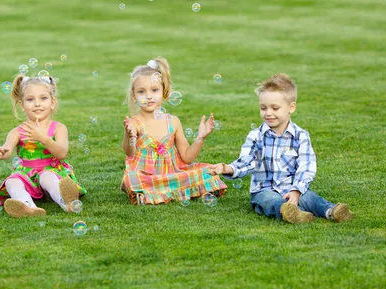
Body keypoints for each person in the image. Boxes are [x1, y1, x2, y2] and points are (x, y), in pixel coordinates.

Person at [208, 73, 354, 223]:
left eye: (275, 108)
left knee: (310, 198)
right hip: (263, 190)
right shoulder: (256, 136)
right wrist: (226, 168)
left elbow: (306, 167)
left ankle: (331, 211)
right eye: (263, 108)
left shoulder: (301, 136)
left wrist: (296, 190)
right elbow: (247, 161)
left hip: (292, 187)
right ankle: (291, 213)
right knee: (270, 200)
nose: (268, 113)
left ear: (291, 107)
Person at [121, 57, 227, 205]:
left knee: (207, 171)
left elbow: (187, 157)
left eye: (155, 90)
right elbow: (129, 152)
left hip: (172, 174)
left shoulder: (173, 122)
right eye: (141, 92)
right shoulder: (134, 123)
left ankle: (154, 193)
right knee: (134, 179)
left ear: (164, 91)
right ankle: (162, 189)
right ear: (134, 96)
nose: (149, 96)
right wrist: (129, 136)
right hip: (147, 176)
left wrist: (200, 137)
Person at [0, 75, 86, 217]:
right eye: (30, 99)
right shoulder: (17, 132)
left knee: (46, 177)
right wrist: (1, 152)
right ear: (22, 105)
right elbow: (8, 149)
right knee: (12, 182)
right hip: (27, 174)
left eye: (43, 98)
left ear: (52, 102)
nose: (37, 104)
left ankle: (66, 202)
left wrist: (44, 139)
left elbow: (62, 154)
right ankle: (28, 207)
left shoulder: (58, 128)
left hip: (52, 171)